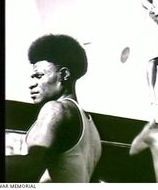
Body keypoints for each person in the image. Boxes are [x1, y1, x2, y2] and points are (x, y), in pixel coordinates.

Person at [6, 34, 102, 182]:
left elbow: (29, 169)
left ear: (64, 74)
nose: (31, 84)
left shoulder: (55, 110)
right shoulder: (89, 123)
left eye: (38, 76)